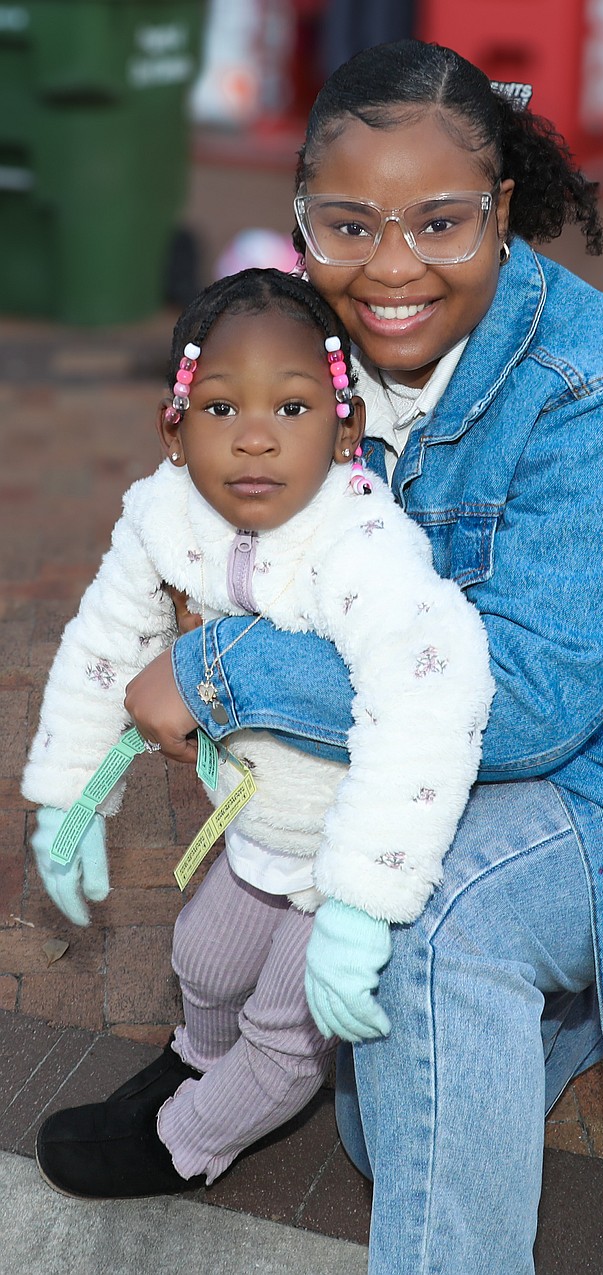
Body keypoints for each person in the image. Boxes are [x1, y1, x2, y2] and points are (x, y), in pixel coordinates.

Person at [49, 38, 603, 1273]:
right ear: (301, 219)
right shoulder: (316, 350)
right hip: (472, 740)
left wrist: (221, 675)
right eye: (349, 225)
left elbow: (526, 709)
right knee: (391, 1127)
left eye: (439, 223)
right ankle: (363, 1032)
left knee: (433, 920)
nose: (392, 267)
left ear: (503, 212)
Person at [24, 267, 493, 1197]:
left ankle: (189, 1139)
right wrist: (66, 797)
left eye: (291, 406)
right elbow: (105, 645)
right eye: (221, 407)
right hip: (255, 826)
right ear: (173, 426)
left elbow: (430, 707)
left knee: (286, 1029)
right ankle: (196, 1056)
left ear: (345, 426)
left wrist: (363, 902)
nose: (253, 436)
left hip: (341, 851)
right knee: (199, 956)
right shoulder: (164, 515)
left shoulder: (361, 549)